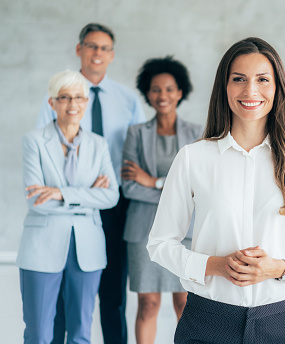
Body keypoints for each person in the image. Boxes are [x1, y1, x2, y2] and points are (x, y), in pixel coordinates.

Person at [146, 37, 285, 344]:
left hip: (278, 323)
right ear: (225, 87)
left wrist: (279, 268)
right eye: (239, 80)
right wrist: (214, 266)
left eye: (262, 79)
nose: (250, 91)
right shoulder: (193, 158)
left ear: (277, 88)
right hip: (207, 321)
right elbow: (160, 243)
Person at [36, 23, 145, 344]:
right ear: (79, 50)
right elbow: (45, 148)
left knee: (113, 293)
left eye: (104, 48)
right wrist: (84, 186)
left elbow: (134, 151)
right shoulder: (55, 98)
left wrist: (109, 186)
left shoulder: (127, 99)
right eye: (91, 46)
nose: (98, 53)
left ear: (112, 55)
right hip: (63, 207)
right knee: (65, 291)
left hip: (114, 205)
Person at [18, 70, 119, 344]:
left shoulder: (99, 144)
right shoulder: (34, 141)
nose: (72, 105)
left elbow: (111, 196)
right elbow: (35, 201)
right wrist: (87, 197)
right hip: (40, 246)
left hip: (88, 247)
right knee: (38, 334)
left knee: (80, 335)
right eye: (64, 98)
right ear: (52, 103)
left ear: (86, 102)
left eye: (78, 97)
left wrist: (60, 193)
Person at [121, 56, 202, 344]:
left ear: (180, 92)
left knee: (185, 305)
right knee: (148, 305)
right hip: (143, 230)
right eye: (156, 89)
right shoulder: (135, 133)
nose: (162, 95)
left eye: (169, 89)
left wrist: (152, 181)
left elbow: (198, 188)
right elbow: (130, 188)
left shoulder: (198, 134)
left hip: (185, 232)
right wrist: (171, 189)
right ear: (147, 93)